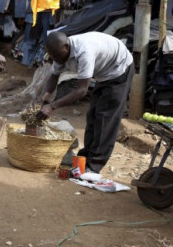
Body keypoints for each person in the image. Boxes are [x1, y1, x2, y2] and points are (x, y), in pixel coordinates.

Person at [36, 31, 133, 174]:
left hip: (119, 70)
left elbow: (82, 90)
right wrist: (43, 99)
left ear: (66, 47)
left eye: (57, 56)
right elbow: (53, 77)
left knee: (105, 118)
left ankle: (94, 166)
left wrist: (52, 106)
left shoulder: (85, 51)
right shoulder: (58, 53)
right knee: (92, 116)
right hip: (103, 74)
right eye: (53, 57)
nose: (56, 59)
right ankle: (85, 157)